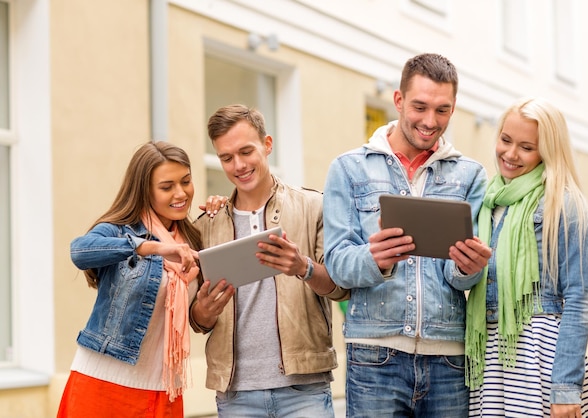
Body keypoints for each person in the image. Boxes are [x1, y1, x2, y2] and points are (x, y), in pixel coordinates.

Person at [323, 52, 493, 417]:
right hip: (373, 356)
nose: (430, 122)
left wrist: (469, 268)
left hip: (449, 358)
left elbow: (463, 278)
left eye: (443, 110)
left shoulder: (471, 176)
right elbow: (336, 263)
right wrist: (374, 261)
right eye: (420, 107)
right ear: (398, 100)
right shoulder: (348, 169)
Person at [190, 104, 349, 418]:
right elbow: (197, 321)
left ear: (267, 144)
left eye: (246, 151)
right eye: (226, 157)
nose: (238, 165)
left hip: (305, 389)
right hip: (236, 394)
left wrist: (301, 267)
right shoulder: (206, 224)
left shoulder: (313, 206)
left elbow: (339, 288)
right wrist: (203, 312)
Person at [465, 97, 588, 417]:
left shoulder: (565, 204)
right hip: (491, 356)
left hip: (540, 358)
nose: (510, 154)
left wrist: (565, 389)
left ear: (548, 151)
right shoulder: (487, 201)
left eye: (526, 147)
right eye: (505, 140)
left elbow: (580, 299)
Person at [57, 141, 202, 418]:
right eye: (167, 186)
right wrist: (153, 247)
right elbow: (80, 250)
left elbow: (198, 318)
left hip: (165, 389)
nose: (181, 193)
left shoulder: (193, 239)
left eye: (186, 181)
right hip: (104, 383)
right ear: (144, 190)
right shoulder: (120, 230)